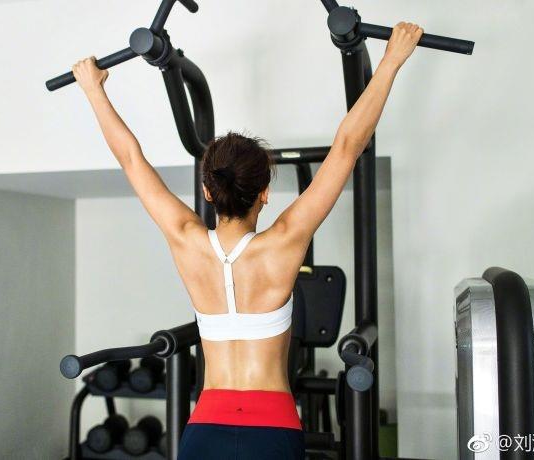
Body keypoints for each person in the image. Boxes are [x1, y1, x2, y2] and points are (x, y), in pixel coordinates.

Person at [72, 22, 423, 460]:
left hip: (205, 428)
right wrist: (391, 61)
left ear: (207, 191)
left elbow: (130, 158)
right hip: (272, 428)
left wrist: (93, 89)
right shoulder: (284, 242)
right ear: (264, 193)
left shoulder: (185, 239)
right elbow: (348, 145)